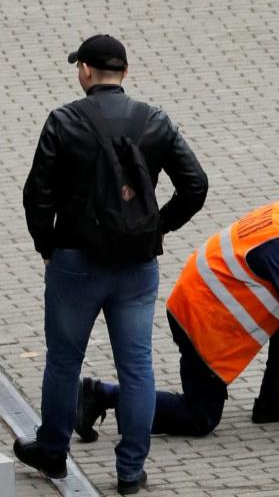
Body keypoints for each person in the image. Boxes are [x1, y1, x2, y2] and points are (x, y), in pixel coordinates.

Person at [17, 34, 209, 494]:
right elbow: (196, 185)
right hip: (136, 266)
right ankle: (129, 470)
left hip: (75, 261)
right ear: (125, 70)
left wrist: (47, 244)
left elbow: (36, 194)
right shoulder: (155, 121)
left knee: (64, 362)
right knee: (137, 366)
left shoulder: (63, 120)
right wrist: (157, 227)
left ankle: (53, 451)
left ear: (85, 70)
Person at [76, 168, 279, 449]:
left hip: (206, 303)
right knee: (200, 417)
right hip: (199, 320)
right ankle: (102, 394)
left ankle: (273, 401)